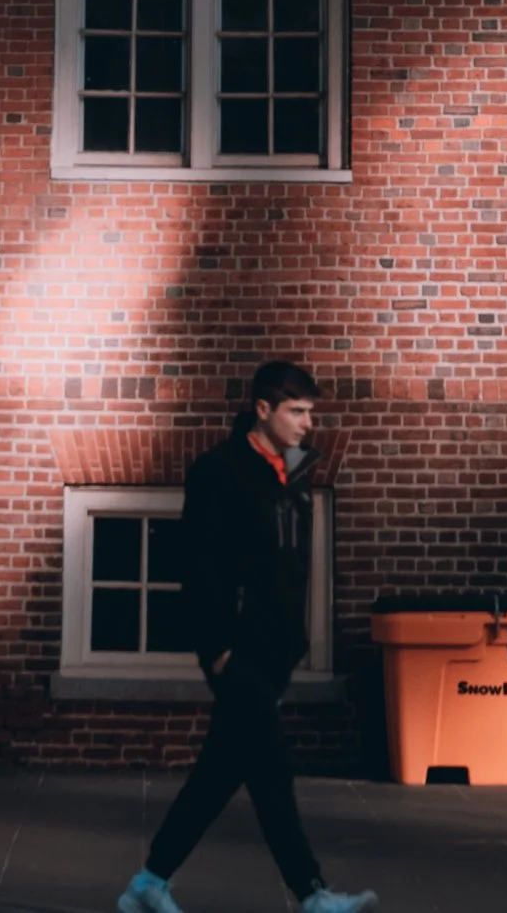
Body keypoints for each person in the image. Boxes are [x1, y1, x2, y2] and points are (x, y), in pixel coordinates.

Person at [119, 360, 374, 913]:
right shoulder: (221, 471)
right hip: (239, 653)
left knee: (222, 772)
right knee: (273, 775)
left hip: (275, 651)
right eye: (297, 411)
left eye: (310, 412)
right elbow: (199, 565)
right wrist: (218, 650)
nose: (308, 423)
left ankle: (150, 883)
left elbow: (288, 568)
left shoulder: (292, 474)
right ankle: (311, 894)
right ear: (263, 410)